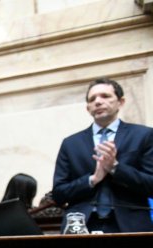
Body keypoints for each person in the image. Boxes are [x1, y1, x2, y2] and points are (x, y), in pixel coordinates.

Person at [53, 77, 153, 233]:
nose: (98, 102)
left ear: (121, 102)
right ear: (88, 108)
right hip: (81, 226)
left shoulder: (143, 135)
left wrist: (115, 168)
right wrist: (92, 179)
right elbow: (59, 194)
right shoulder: (71, 143)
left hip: (130, 226)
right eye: (92, 99)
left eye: (105, 96)